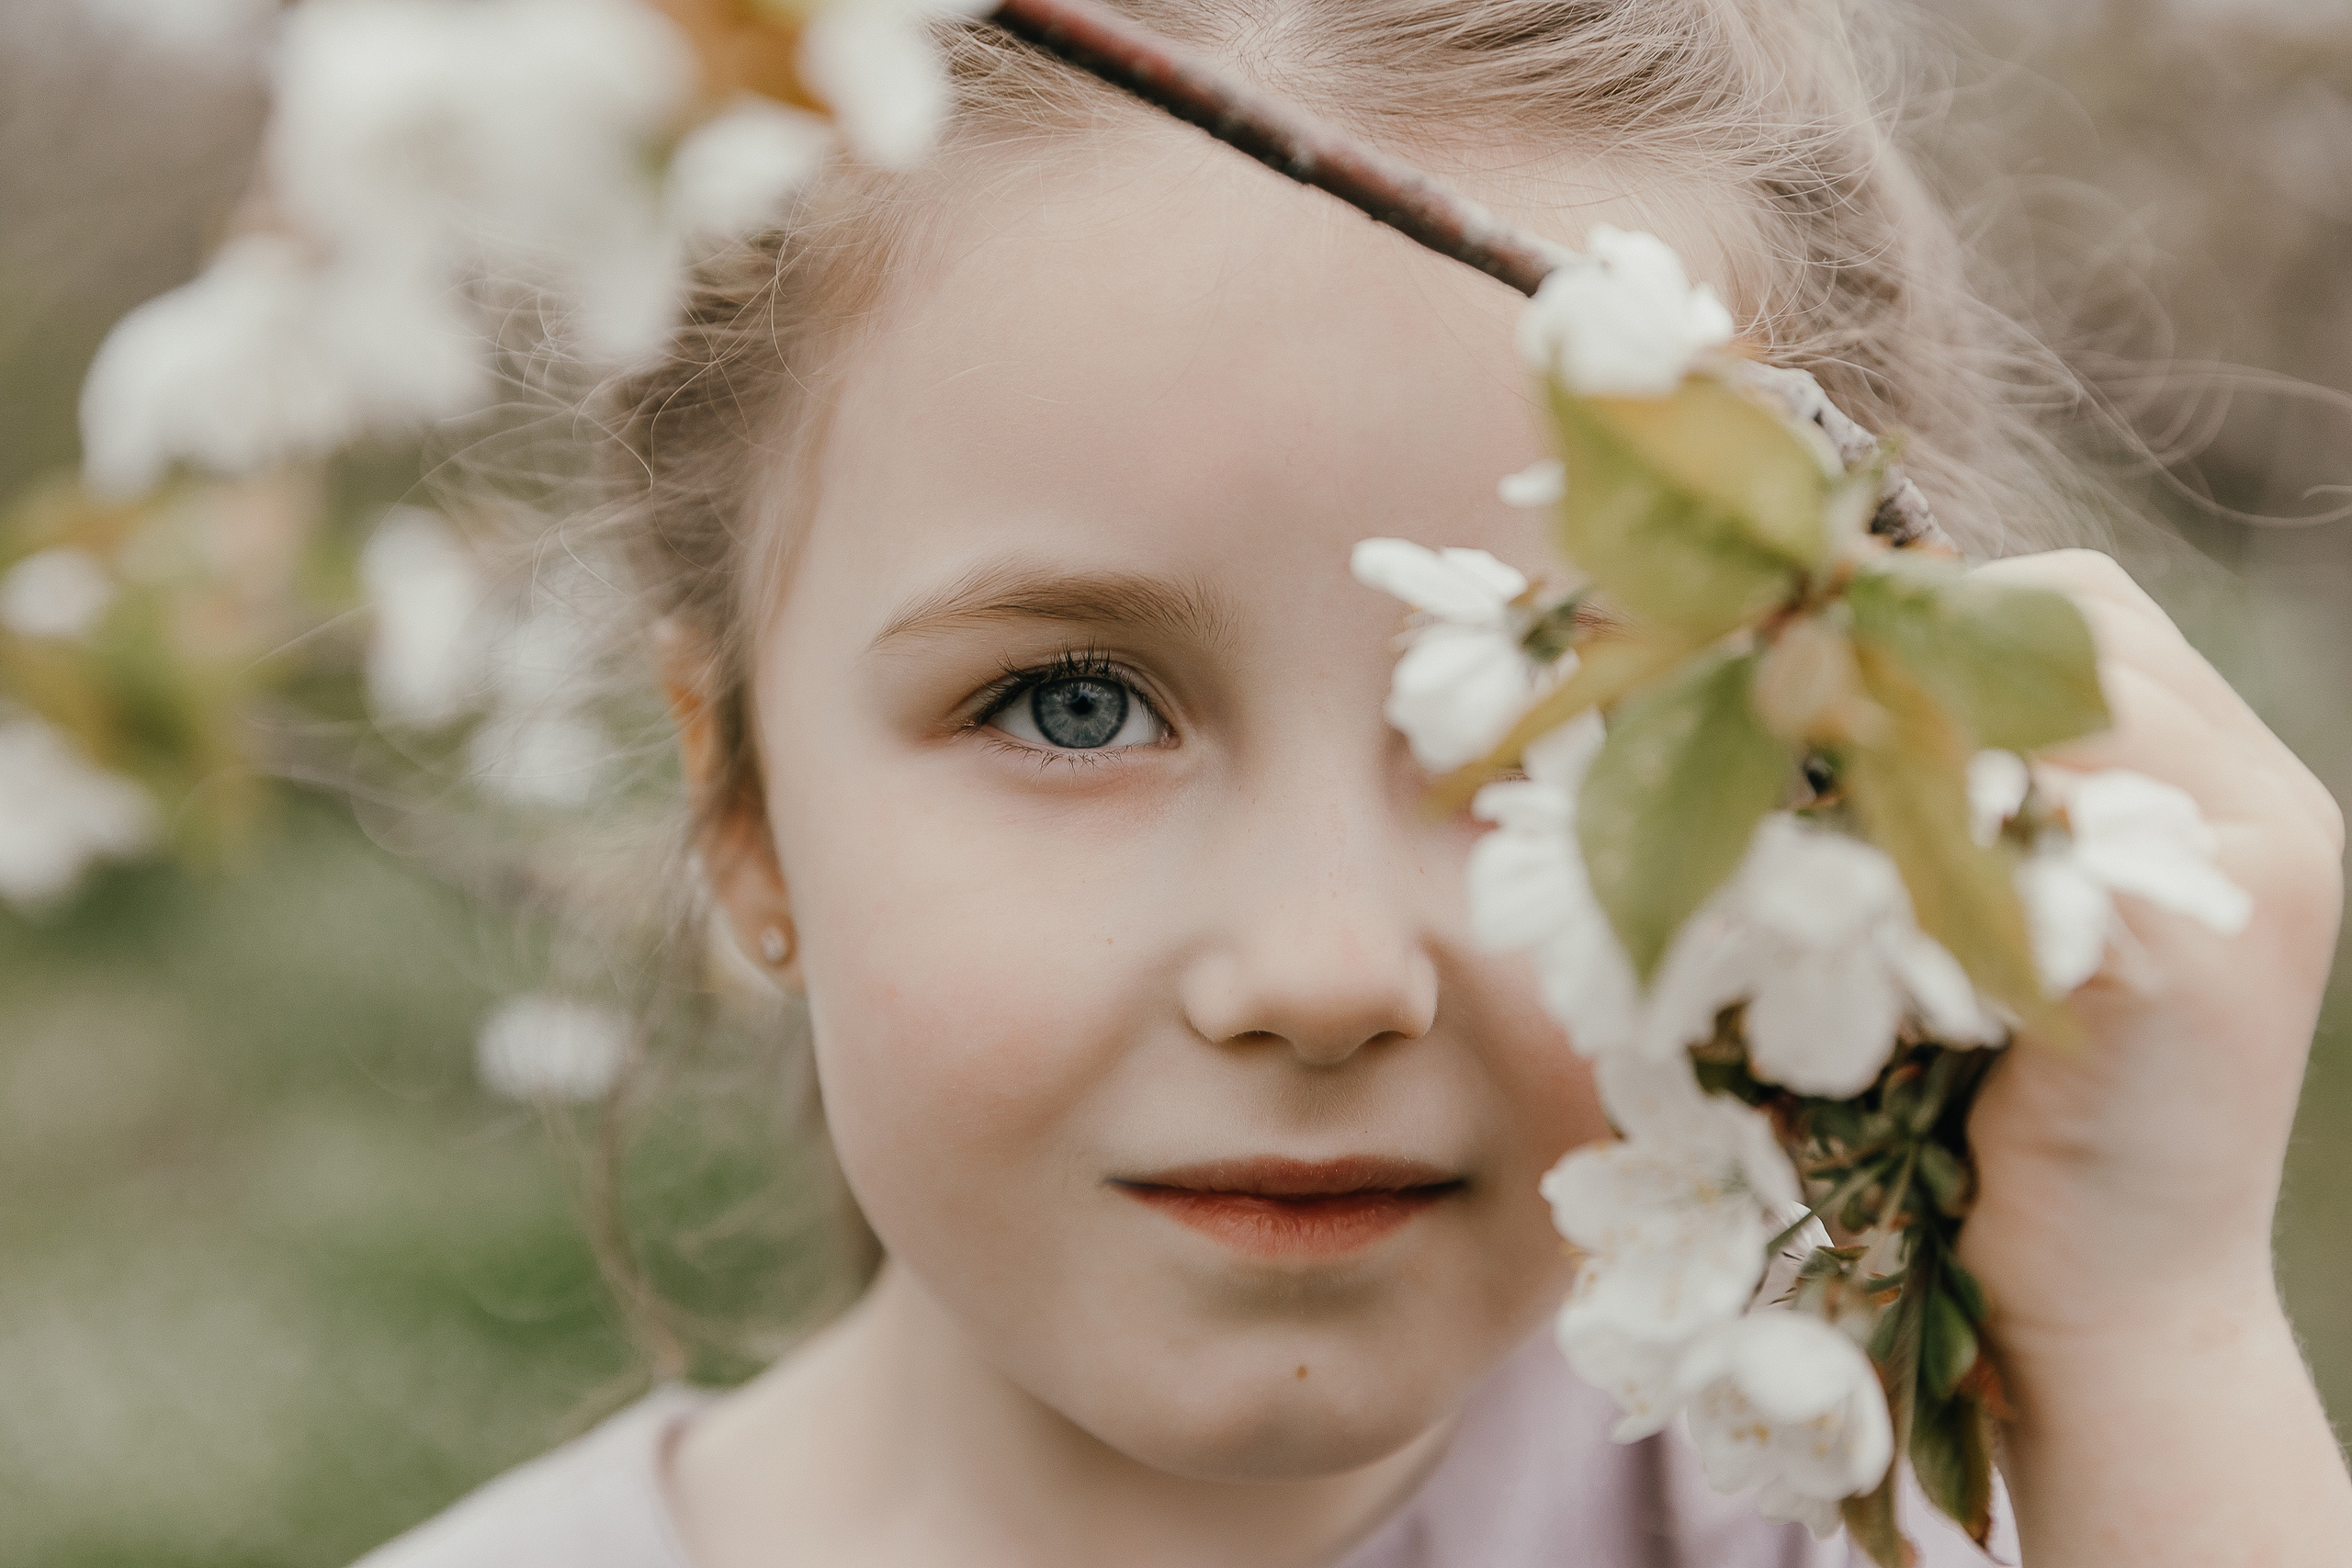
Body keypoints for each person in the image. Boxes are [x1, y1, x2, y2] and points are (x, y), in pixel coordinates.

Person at [356, 1, 2352, 1562]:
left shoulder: (1918, 1516)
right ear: (742, 806)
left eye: (1565, 722)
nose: (1320, 970)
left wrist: (2147, 1344)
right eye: (1067, 704)